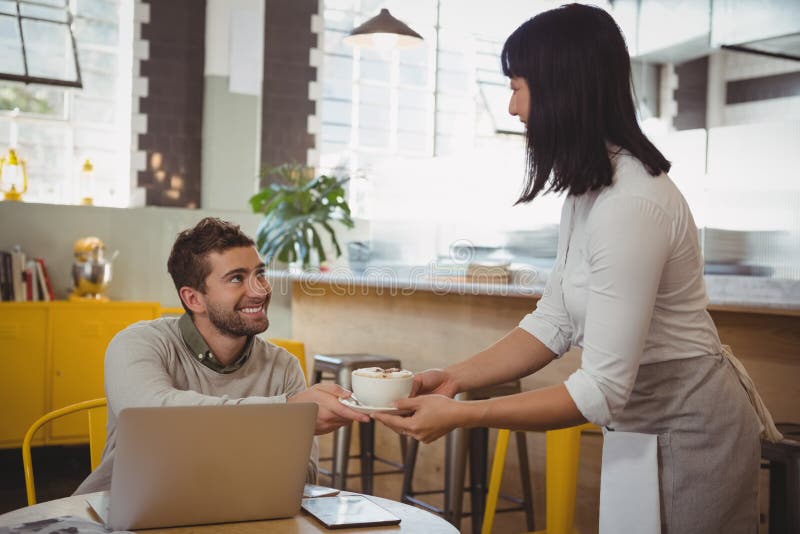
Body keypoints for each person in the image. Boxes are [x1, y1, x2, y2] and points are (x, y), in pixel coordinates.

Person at [374, 5, 780, 534]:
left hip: (691, 431)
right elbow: (554, 321)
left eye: (518, 87)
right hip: (638, 423)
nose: (513, 107)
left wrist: (468, 416)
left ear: (562, 90)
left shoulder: (631, 204)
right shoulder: (589, 191)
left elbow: (600, 390)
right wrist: (453, 380)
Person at [75, 217, 368, 494]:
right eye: (237, 278)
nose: (260, 290)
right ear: (193, 298)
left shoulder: (283, 367)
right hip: (114, 516)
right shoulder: (138, 343)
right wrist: (285, 415)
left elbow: (303, 477)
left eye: (260, 274)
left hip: (236, 515)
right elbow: (150, 415)